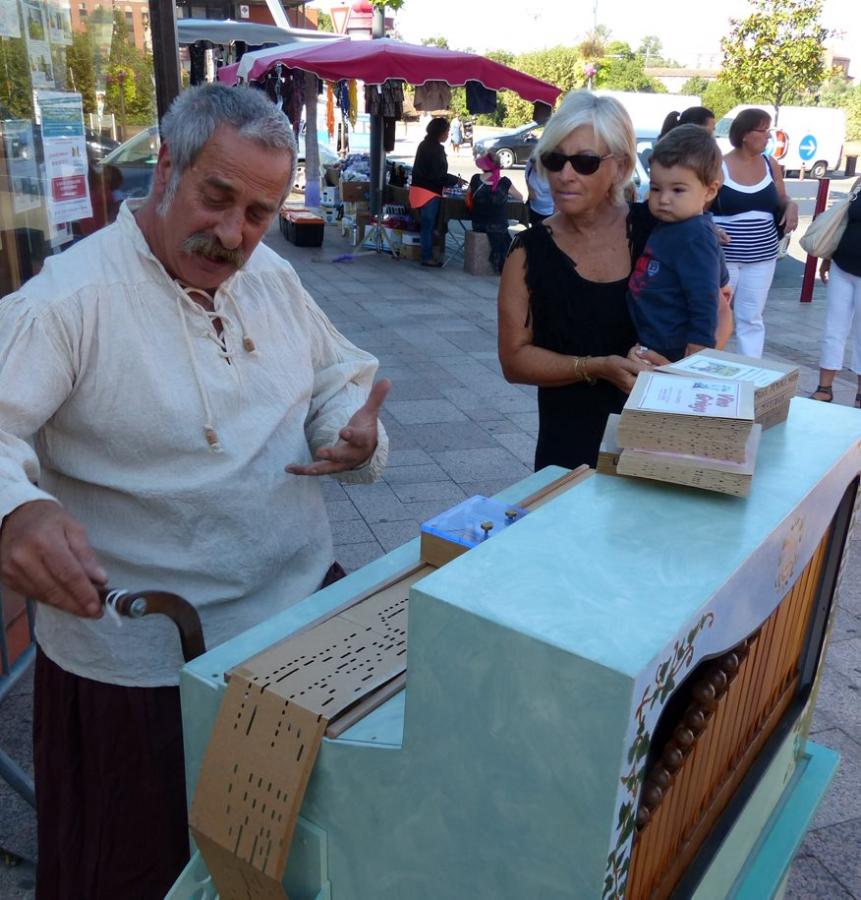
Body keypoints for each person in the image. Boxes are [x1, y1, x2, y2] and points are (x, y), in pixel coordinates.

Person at [0, 84, 390, 898]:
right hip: (148, 668)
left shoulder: (271, 276)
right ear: (165, 167)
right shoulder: (68, 301)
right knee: (144, 872)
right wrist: (18, 508)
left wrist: (346, 424)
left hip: (299, 627)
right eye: (217, 198)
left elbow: (336, 371)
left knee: (286, 860)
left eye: (258, 213)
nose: (233, 235)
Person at [497, 91, 653, 471]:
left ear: (620, 167)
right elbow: (514, 360)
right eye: (554, 159)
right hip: (568, 455)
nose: (565, 175)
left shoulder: (659, 232)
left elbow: (718, 319)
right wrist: (595, 366)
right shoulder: (528, 252)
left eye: (584, 162)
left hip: (657, 448)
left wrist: (678, 364)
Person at [627, 124, 723, 362]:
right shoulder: (673, 224)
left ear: (709, 191)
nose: (664, 199)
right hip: (651, 339)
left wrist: (698, 349)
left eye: (678, 190)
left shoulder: (695, 235)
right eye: (657, 188)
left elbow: (706, 297)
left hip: (671, 349)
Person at [711, 108, 798, 358]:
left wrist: (790, 204)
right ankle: (711, 369)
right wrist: (711, 228)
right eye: (763, 131)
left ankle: (749, 374)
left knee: (751, 318)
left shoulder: (771, 165)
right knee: (717, 317)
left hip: (762, 258)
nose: (769, 137)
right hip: (726, 259)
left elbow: (780, 197)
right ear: (746, 134)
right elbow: (699, 205)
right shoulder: (720, 166)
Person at [809, 176, 861, 406]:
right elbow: (843, 222)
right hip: (842, 266)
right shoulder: (860, 181)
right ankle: (825, 387)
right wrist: (827, 258)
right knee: (833, 328)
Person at [409, 116, 463, 268]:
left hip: (418, 189)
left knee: (426, 225)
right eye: (446, 131)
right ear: (440, 132)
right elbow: (437, 175)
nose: (448, 135)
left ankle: (428, 254)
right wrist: (455, 180)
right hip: (429, 192)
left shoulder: (423, 145)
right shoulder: (436, 149)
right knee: (428, 226)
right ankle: (426, 257)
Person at [466, 150, 524, 274]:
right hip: (498, 227)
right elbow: (520, 197)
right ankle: (501, 261)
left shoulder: (475, 179)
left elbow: (468, 195)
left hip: (478, 224)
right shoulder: (504, 182)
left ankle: (497, 258)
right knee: (510, 241)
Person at [525, 153, 554, 225]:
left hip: (549, 212)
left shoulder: (553, 172)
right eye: (534, 165)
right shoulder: (530, 165)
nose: (535, 168)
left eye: (538, 166)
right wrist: (529, 189)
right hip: (533, 209)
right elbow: (526, 175)